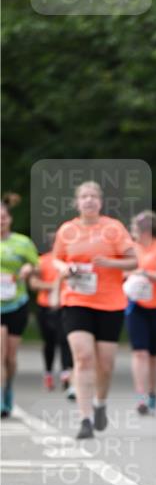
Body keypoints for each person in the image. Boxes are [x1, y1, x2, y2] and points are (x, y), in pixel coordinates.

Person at [52, 181, 137, 439]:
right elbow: (56, 258)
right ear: (77, 202)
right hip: (77, 299)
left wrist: (109, 262)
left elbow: (134, 261)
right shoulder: (67, 230)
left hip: (110, 302)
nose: (89, 201)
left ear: (100, 202)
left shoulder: (113, 228)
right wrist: (64, 269)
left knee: (106, 364)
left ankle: (100, 403)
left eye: (93, 197)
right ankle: (85, 418)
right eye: (84, 197)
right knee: (83, 357)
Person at [125, 211, 156, 414]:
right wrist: (132, 275)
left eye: (135, 228)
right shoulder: (130, 249)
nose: (132, 232)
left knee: (154, 354)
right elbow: (121, 271)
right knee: (140, 352)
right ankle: (141, 396)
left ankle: (152, 392)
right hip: (136, 306)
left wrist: (146, 274)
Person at [0, 197, 40, 417]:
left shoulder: (22, 242)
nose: (0, 222)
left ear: (10, 219)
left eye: (3, 218)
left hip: (16, 303)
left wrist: (27, 268)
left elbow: (38, 266)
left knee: (10, 357)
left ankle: (8, 389)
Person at [30, 233, 74, 395]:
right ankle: (48, 372)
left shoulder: (68, 262)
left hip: (65, 305)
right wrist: (54, 285)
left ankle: (66, 374)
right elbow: (34, 283)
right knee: (49, 341)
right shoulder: (42, 261)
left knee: (65, 340)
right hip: (46, 306)